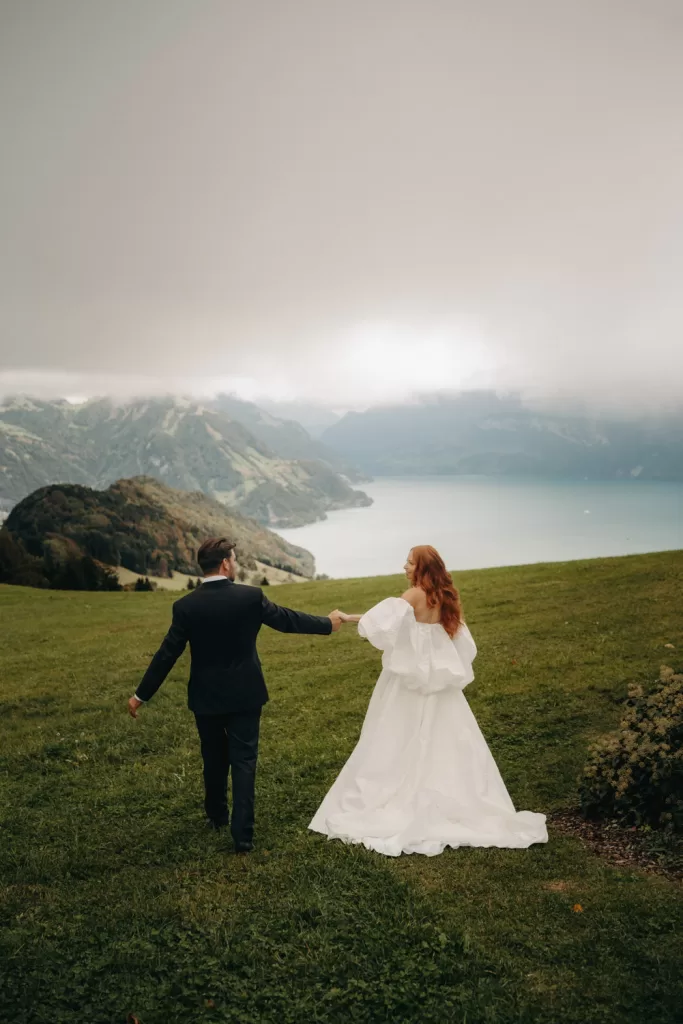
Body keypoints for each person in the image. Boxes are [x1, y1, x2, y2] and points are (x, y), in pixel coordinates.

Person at [308, 545, 547, 857]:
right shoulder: (444, 596)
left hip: (411, 677)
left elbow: (379, 621)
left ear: (422, 568)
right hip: (437, 677)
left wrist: (346, 617)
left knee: (395, 732)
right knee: (447, 735)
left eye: (409, 563)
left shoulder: (416, 595)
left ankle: (401, 790)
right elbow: (457, 637)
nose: (404, 567)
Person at [128, 537, 343, 853]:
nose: (237, 564)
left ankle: (216, 816)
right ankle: (242, 836)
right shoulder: (250, 597)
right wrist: (328, 624)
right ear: (226, 563)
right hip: (246, 694)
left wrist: (140, 695)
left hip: (206, 697)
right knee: (244, 761)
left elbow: (166, 654)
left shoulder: (186, 606)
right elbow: (287, 621)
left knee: (213, 759)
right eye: (235, 559)